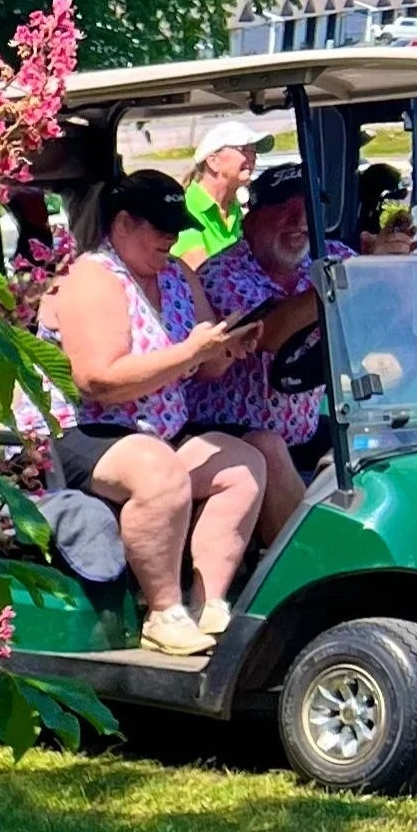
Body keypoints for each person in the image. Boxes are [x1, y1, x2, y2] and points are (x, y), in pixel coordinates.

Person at [48, 169, 269, 657]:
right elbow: (98, 381)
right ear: (123, 223)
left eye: (177, 228)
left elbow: (202, 367)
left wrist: (224, 349)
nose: (173, 238)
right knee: (159, 471)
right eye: (161, 228)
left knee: (245, 464)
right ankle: (162, 612)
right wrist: (190, 354)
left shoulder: (176, 275)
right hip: (90, 431)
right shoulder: (93, 277)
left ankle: (207, 602)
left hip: (157, 430)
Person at [188, 160, 353, 516]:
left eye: (308, 207)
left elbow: (393, 316)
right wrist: (337, 282)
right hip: (229, 431)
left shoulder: (335, 256)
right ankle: (313, 566)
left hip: (305, 430)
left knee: (374, 448)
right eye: (283, 208)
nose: (299, 219)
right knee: (269, 449)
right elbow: (270, 335)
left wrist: (389, 263)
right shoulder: (221, 274)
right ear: (251, 219)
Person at [180, 115, 268, 261]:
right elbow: (198, 274)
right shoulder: (187, 208)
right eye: (244, 149)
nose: (253, 157)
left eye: (253, 151)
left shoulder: (235, 210)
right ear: (213, 161)